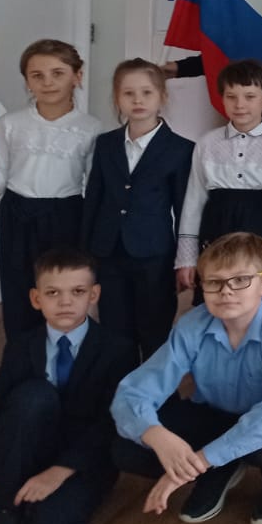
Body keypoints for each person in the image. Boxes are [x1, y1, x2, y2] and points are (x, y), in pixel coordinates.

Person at [111, 232, 262, 524]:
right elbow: (132, 393)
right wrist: (157, 435)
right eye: (214, 282)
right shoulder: (192, 324)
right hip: (217, 413)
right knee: (127, 447)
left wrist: (199, 461)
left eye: (240, 280)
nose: (226, 291)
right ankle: (221, 468)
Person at [0, 249, 138, 524]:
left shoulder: (117, 349)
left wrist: (61, 470)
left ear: (94, 295)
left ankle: (34, 502)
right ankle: (6, 509)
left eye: (77, 291)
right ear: (36, 298)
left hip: (83, 458)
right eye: (53, 293)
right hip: (27, 447)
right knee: (33, 395)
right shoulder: (20, 347)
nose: (65, 302)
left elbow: (110, 425)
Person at [0, 39, 100, 338]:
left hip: (67, 215)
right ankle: (21, 358)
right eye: (37, 75)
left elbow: (93, 186)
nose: (47, 82)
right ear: (27, 81)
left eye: (58, 73)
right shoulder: (9, 124)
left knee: (62, 291)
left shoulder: (91, 128)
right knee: (19, 291)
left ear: (77, 76)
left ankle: (64, 356)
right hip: (18, 215)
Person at [82, 59, 194, 359]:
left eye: (146, 92)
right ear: (117, 98)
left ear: (162, 97)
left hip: (155, 256)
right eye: (128, 93)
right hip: (108, 252)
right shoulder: (105, 144)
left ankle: (156, 388)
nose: (138, 100)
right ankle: (120, 387)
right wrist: (86, 255)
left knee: (154, 329)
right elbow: (93, 200)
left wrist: (186, 259)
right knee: (115, 331)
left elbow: (185, 209)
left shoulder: (180, 149)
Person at [174, 59, 262, 296]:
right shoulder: (207, 143)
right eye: (231, 96)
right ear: (222, 98)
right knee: (217, 294)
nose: (240, 105)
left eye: (249, 97)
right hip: (216, 228)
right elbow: (194, 201)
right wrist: (187, 257)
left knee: (256, 298)